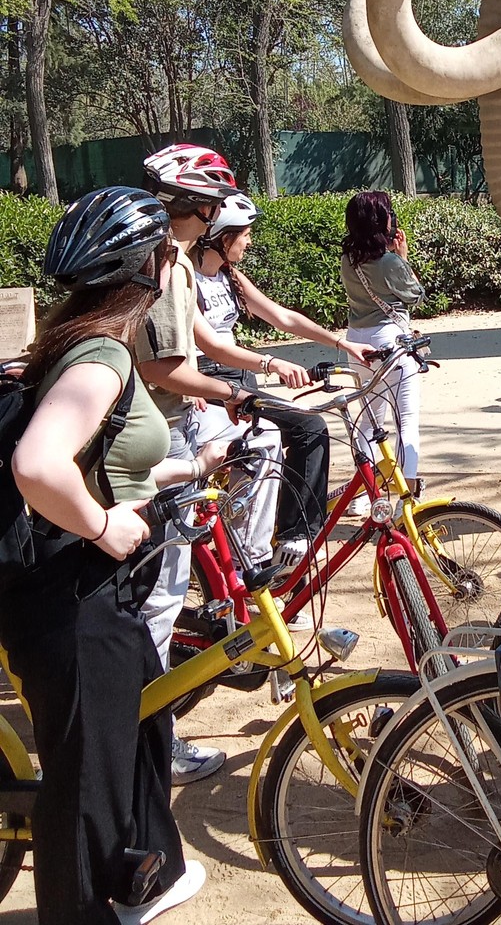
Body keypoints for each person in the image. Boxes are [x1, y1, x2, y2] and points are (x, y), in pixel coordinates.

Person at [0, 187, 227, 924]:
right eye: (167, 251)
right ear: (147, 266)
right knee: (84, 785)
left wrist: (193, 468)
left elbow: (104, 460)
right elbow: (39, 464)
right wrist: (102, 526)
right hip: (71, 593)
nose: (174, 261)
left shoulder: (86, 341)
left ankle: (143, 876)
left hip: (96, 590)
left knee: (143, 724)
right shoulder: (100, 354)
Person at [137, 142, 310, 784]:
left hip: (178, 420)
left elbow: (202, 340)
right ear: (200, 206)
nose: (219, 213)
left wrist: (265, 366)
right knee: (161, 595)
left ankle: (244, 570)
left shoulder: (176, 260)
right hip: (159, 430)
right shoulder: (160, 262)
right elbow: (164, 367)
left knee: (259, 451)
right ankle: (151, 739)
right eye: (213, 201)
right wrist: (229, 393)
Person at [192, 192, 372, 576]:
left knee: (310, 427)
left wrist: (341, 343)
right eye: (245, 234)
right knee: (292, 431)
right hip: (208, 382)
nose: (249, 241)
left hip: (239, 378)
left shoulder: (229, 276)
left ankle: (296, 536)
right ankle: (278, 544)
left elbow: (282, 317)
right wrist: (271, 363)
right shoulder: (186, 279)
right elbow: (212, 347)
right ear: (223, 236)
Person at [341, 190, 425, 494]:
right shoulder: (390, 262)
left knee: (368, 421)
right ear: (381, 220)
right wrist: (402, 258)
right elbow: (415, 295)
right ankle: (408, 491)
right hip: (390, 340)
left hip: (357, 341)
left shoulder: (348, 260)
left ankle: (363, 494)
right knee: (406, 420)